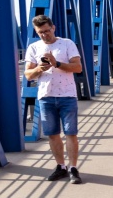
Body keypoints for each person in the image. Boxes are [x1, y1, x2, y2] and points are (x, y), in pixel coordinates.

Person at [24, 14, 84, 184]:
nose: (44, 35)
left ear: (53, 27)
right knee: (52, 134)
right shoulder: (34, 47)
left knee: (70, 133)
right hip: (46, 96)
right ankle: (61, 167)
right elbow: (28, 75)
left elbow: (78, 67)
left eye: (47, 31)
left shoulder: (67, 44)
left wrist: (56, 63)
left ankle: (73, 168)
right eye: (40, 32)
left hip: (67, 95)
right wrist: (39, 68)